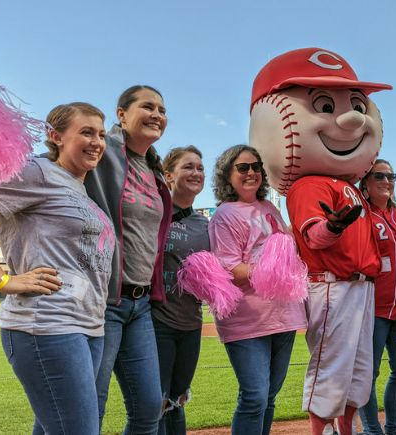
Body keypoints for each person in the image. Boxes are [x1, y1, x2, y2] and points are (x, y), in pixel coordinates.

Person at [249, 47, 389, 435]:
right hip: (331, 285)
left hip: (360, 286)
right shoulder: (308, 185)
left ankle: (345, 428)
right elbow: (315, 235)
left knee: (359, 369)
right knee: (331, 364)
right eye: (325, 105)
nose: (348, 118)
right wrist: (334, 228)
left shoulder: (350, 187)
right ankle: (319, 429)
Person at [0, 102, 114, 434]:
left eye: (101, 134)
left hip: (89, 327)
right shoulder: (37, 172)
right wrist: (1, 280)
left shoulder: (81, 190)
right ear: (55, 136)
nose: (97, 141)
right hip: (46, 325)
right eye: (86, 132)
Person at [84, 85, 173, 434]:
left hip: (140, 306)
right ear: (121, 114)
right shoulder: (103, 151)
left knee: (150, 406)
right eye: (147, 106)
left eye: (162, 110)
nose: (157, 115)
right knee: (90, 402)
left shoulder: (154, 169)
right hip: (104, 301)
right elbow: (55, 164)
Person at [209, 144, 307, 435]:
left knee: (269, 397)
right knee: (254, 397)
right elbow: (229, 269)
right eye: (242, 167)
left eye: (255, 167)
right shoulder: (225, 214)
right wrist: (272, 271)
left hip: (284, 314)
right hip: (247, 319)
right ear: (227, 175)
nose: (251, 172)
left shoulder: (269, 208)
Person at [152, 146, 208, 434]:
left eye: (199, 167)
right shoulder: (152, 212)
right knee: (154, 404)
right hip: (155, 320)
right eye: (188, 166)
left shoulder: (203, 224)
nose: (196, 172)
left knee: (178, 399)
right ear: (168, 175)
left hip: (191, 322)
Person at [357, 160, 396, 435]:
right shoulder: (361, 214)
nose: (387, 180)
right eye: (379, 175)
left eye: (391, 175)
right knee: (367, 375)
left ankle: (394, 429)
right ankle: (372, 430)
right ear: (365, 184)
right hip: (372, 308)